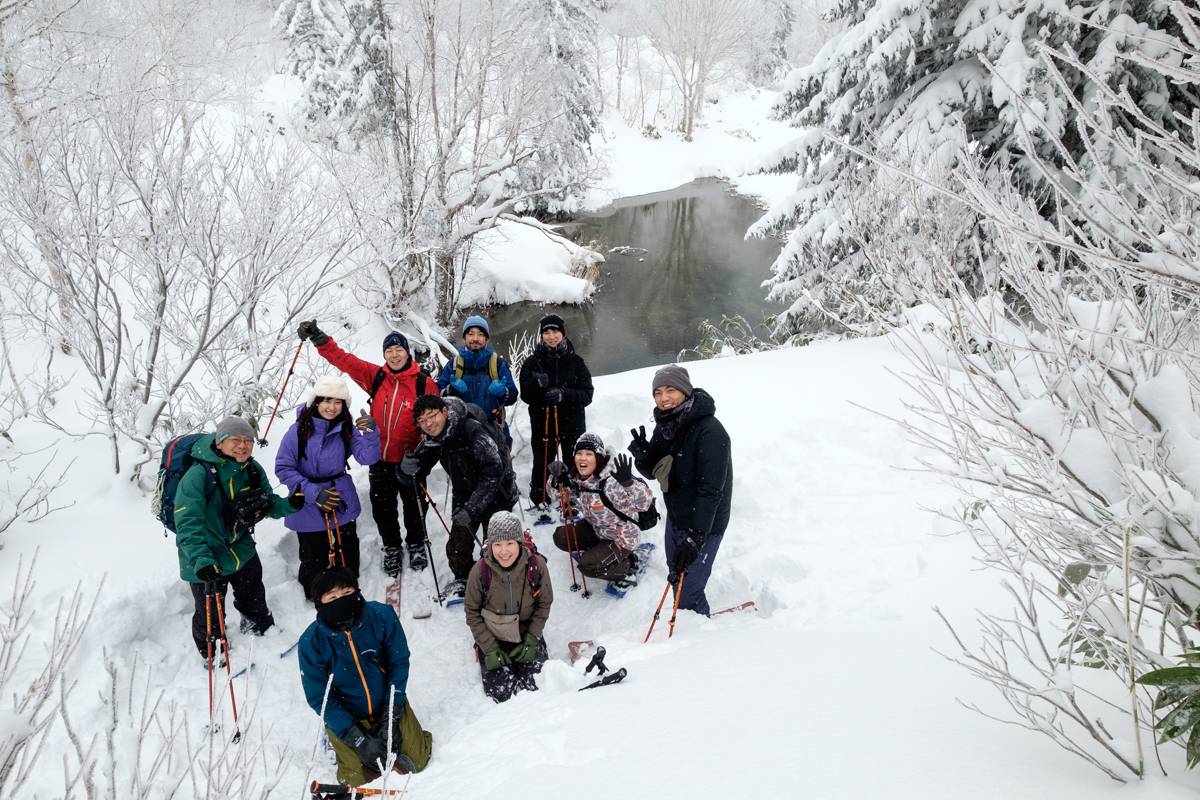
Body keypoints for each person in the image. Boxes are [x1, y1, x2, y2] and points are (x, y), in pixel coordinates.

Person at [298, 321, 439, 576]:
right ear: (384, 355)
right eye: (389, 351)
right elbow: (346, 361)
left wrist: (423, 455)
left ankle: (417, 543)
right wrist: (320, 340)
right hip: (379, 459)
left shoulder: (423, 383)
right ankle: (392, 547)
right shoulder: (377, 377)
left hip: (411, 460)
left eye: (399, 349)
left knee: (415, 505)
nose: (394, 354)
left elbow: (436, 421)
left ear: (408, 352)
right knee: (383, 508)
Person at [175, 416, 302, 661]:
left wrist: (290, 505)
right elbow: (187, 524)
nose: (243, 445)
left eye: (248, 440)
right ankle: (212, 649)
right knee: (210, 608)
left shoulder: (251, 469)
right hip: (204, 553)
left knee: (252, 590)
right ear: (220, 442)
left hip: (239, 545)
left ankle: (258, 624)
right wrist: (201, 560)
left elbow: (268, 504)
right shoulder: (197, 475)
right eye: (235, 440)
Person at [298, 568, 433, 785]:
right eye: (332, 597)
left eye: (346, 593)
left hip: (387, 704)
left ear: (357, 591)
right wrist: (358, 739)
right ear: (320, 603)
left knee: (417, 761)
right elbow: (319, 697)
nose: (340, 601)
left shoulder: (382, 616)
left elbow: (399, 663)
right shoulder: (311, 642)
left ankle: (404, 730)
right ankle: (339, 739)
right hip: (348, 715)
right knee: (356, 781)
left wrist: (392, 715)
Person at [629, 365, 732, 617]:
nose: (663, 398)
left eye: (670, 390)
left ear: (685, 391)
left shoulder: (710, 431)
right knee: (677, 575)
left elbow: (711, 491)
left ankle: (699, 637)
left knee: (687, 593)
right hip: (677, 516)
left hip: (704, 523)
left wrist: (697, 537)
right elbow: (656, 470)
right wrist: (643, 456)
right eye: (658, 392)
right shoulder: (666, 424)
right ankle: (692, 623)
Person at [400, 395, 519, 598]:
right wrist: (405, 470)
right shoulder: (433, 439)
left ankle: (503, 580)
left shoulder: (472, 430)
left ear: (444, 412)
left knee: (498, 551)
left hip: (497, 494)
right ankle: (468, 579)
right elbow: (416, 472)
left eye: (432, 415)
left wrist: (471, 509)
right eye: (422, 420)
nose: (428, 423)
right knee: (456, 552)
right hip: (464, 494)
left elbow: (493, 472)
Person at [275, 376, 381, 601]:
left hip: (339, 495)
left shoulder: (346, 429)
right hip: (308, 499)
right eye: (326, 401)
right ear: (316, 402)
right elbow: (283, 468)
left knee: (348, 547)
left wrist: (371, 433)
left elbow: (367, 457)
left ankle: (349, 589)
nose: (332, 407)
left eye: (338, 402)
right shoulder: (297, 432)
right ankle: (319, 596)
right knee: (314, 554)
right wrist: (314, 493)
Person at [463, 512, 554, 703]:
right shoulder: (479, 571)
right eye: (497, 544)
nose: (504, 552)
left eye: (510, 543)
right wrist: (489, 647)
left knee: (537, 686)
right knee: (502, 694)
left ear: (519, 542)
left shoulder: (536, 566)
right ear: (490, 545)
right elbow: (472, 612)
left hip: (527, 633)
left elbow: (544, 603)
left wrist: (532, 638)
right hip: (493, 635)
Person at [548, 432, 653, 587]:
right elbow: (559, 500)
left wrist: (629, 484)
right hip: (597, 528)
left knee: (588, 566)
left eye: (589, 454)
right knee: (561, 537)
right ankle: (601, 552)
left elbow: (644, 504)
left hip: (622, 536)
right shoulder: (578, 479)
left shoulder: (612, 481)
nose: (583, 458)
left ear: (598, 458)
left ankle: (628, 564)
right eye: (579, 453)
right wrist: (556, 481)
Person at [519, 314, 594, 509]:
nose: (551, 336)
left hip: (572, 421)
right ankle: (539, 498)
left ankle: (575, 495)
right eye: (547, 332)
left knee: (574, 459)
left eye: (555, 331)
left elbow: (587, 395)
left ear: (563, 333)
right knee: (543, 459)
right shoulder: (532, 363)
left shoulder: (576, 362)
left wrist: (563, 394)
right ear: (541, 335)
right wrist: (537, 385)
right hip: (543, 420)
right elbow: (526, 395)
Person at [435, 315, 517, 443]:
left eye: (480, 334)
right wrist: (451, 391)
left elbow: (513, 395)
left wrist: (503, 393)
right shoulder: (454, 365)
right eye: (471, 334)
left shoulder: (497, 364)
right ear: (464, 338)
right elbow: (437, 396)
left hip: (494, 430)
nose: (475, 339)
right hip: (462, 432)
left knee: (498, 463)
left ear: (486, 339)